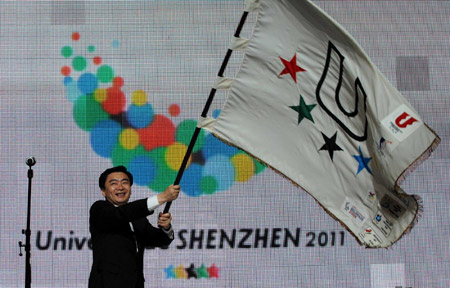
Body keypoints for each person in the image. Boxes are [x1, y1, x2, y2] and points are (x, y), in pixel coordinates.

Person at [88, 165, 180, 288]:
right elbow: (122, 214)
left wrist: (166, 227)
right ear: (103, 191)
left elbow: (160, 240)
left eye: (125, 183)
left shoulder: (138, 219)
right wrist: (162, 197)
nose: (120, 187)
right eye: (114, 183)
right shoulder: (99, 210)